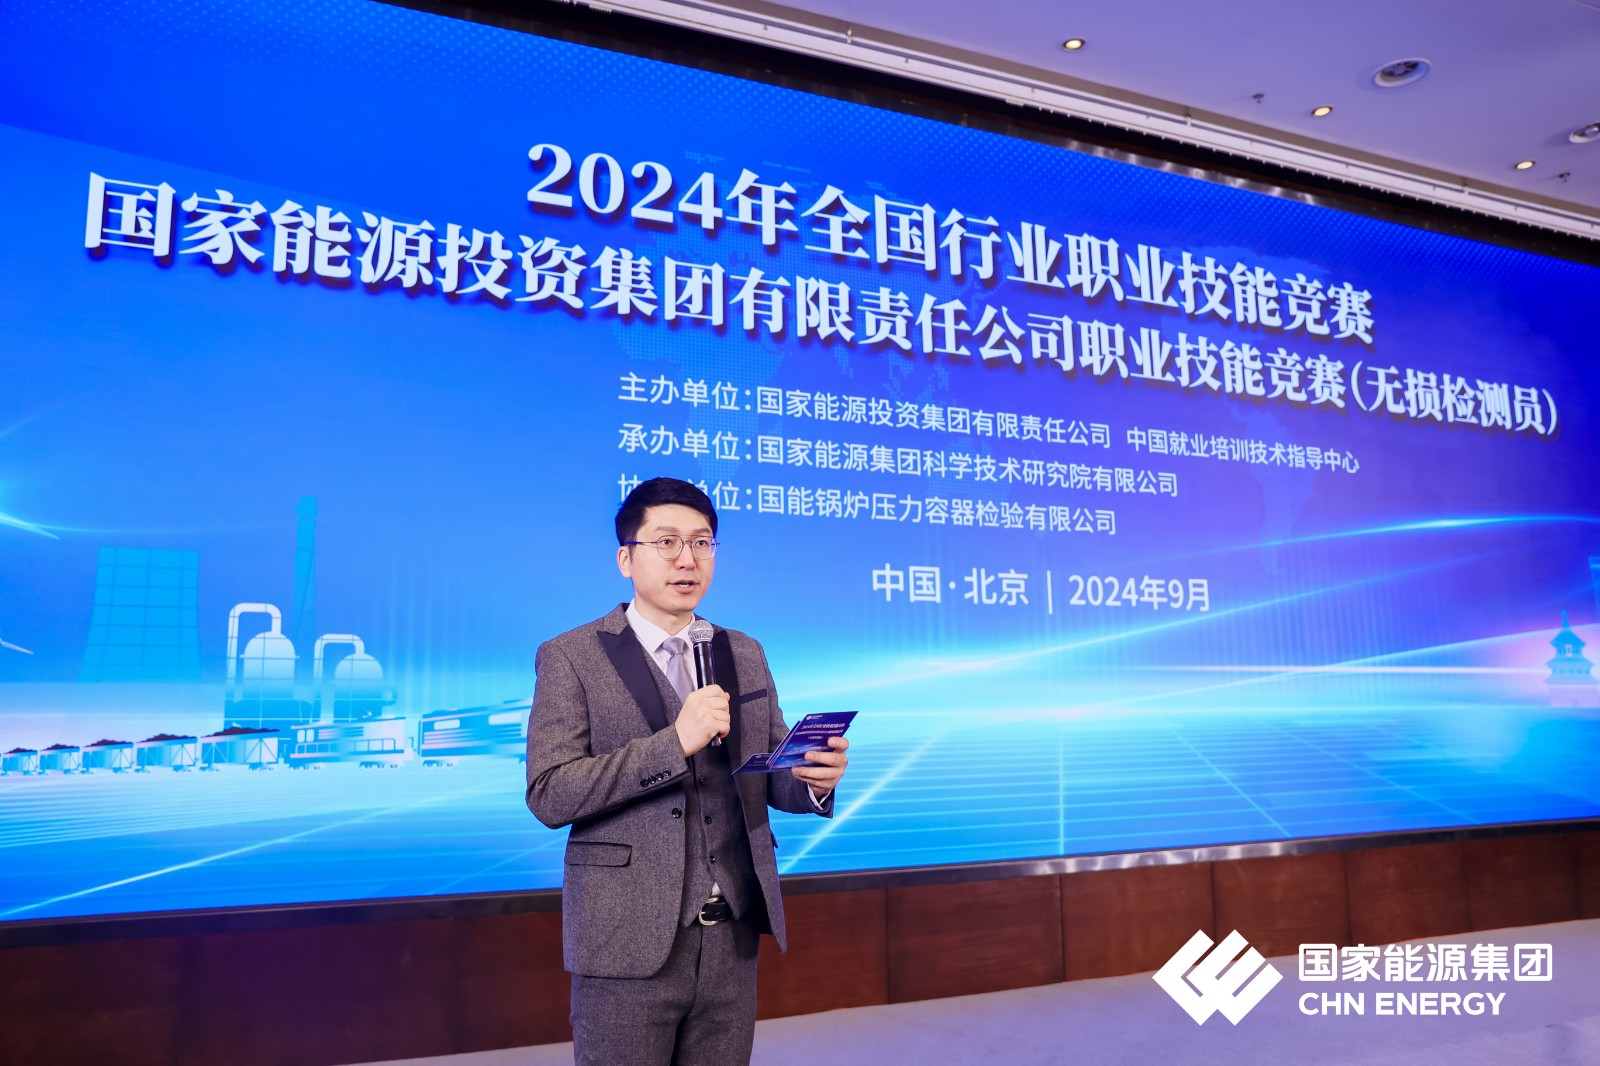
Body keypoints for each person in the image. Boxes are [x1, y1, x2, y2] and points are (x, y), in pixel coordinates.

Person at [525, 476, 848, 1066]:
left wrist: (812, 780)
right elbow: (551, 792)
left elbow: (766, 772)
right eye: (667, 542)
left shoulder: (742, 651)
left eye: (702, 543)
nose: (687, 559)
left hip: (731, 936)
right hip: (626, 938)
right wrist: (673, 744)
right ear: (626, 559)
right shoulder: (571, 656)